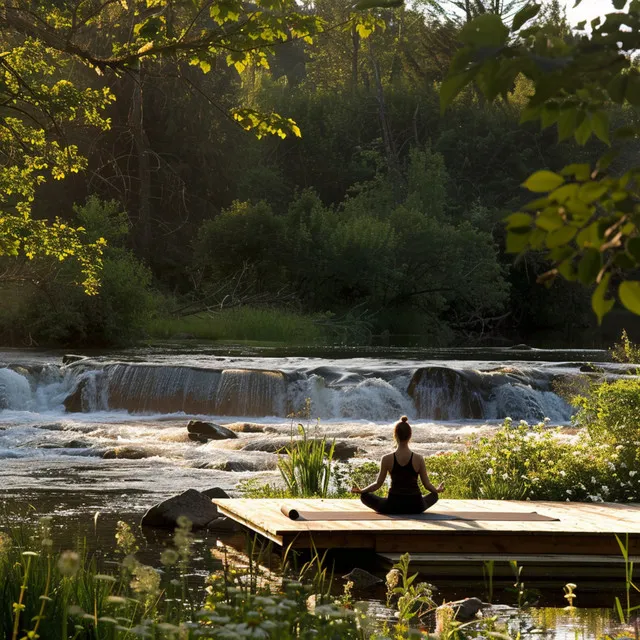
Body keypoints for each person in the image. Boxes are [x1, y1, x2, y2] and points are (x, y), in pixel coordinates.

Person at [351, 416, 444, 514]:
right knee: (434, 495)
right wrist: (436, 490)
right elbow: (427, 485)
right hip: (416, 506)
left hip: (393, 505)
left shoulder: (386, 458)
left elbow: (377, 484)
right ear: (410, 436)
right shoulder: (419, 458)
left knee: (364, 496)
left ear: (395, 435)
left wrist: (362, 491)